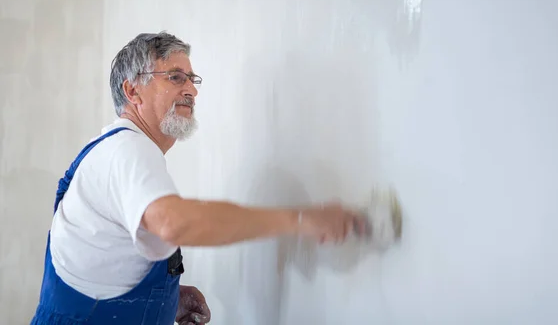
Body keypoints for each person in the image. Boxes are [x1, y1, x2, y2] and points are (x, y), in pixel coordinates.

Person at [30, 32, 367, 325]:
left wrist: (169, 299)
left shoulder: (112, 152)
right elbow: (175, 224)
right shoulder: (128, 150)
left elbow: (101, 263)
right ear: (133, 91)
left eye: (193, 79)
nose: (191, 89)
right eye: (175, 77)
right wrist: (302, 219)